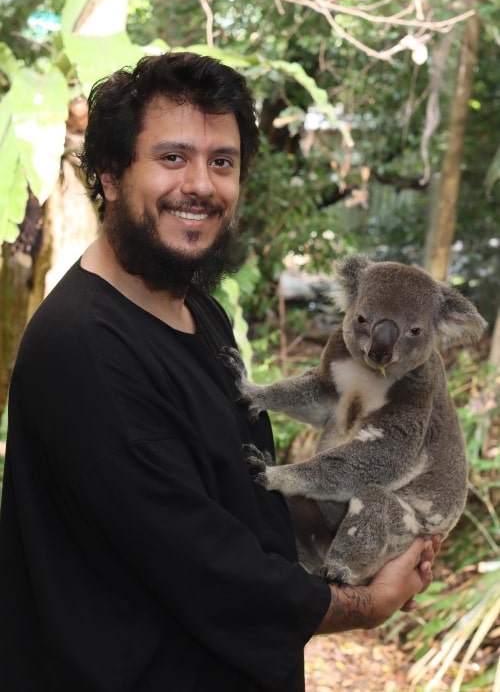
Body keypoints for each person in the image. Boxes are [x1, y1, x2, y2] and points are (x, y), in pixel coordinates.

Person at [0, 52, 438, 692]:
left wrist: (367, 524)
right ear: (111, 176)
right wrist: (371, 604)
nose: (201, 184)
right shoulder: (86, 350)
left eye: (222, 162)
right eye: (172, 158)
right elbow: (207, 566)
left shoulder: (196, 311)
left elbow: (234, 492)